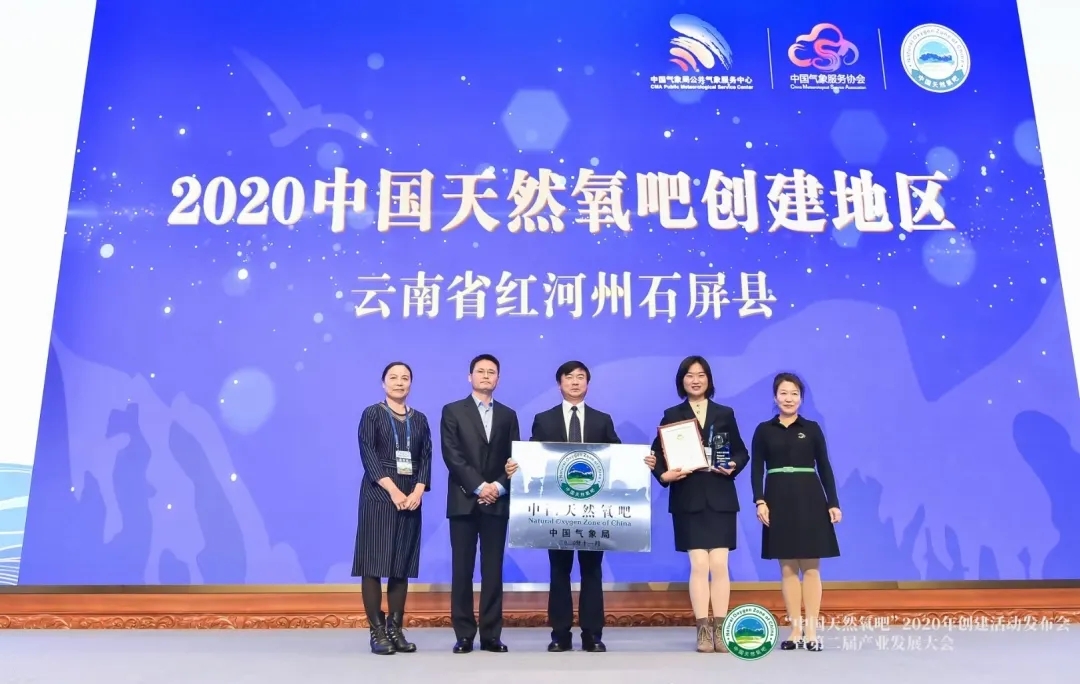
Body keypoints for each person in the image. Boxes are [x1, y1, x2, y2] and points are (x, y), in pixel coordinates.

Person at [506, 360, 620, 653]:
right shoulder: (544, 420)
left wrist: (642, 462)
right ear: (560, 384)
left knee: (592, 572)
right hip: (555, 510)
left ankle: (592, 635)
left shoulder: (602, 420)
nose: (575, 382)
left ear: (588, 384)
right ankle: (560, 634)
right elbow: (533, 459)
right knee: (559, 571)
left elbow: (618, 459)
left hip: (593, 510)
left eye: (581, 377)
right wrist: (517, 466)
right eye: (569, 377)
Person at [645, 355, 749, 653]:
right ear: (682, 380)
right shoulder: (672, 415)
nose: (695, 380)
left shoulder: (724, 413)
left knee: (720, 564)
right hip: (688, 497)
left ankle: (722, 629)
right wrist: (662, 474)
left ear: (709, 379)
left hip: (720, 495)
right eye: (689, 375)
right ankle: (703, 630)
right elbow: (656, 456)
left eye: (701, 375)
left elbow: (741, 452)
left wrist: (733, 465)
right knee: (699, 565)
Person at [751, 372, 842, 652]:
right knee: (788, 568)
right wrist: (760, 501)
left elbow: (824, 467)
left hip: (810, 499)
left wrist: (833, 502)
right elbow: (756, 469)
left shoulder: (812, 429)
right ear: (775, 397)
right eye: (783, 393)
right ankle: (795, 630)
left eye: (794, 394)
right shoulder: (763, 430)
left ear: (801, 398)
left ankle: (812, 631)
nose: (789, 398)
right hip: (777, 499)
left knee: (811, 568)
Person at [440, 354, 520, 654]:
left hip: (497, 501)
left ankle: (490, 634)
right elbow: (452, 454)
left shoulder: (508, 415)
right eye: (481, 371)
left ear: (498, 378)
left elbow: (515, 458)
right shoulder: (452, 411)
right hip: (464, 500)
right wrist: (478, 486)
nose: (486, 376)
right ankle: (463, 634)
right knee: (462, 570)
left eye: (492, 372)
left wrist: (497, 486)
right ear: (470, 376)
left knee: (493, 571)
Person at [352, 361, 432, 655]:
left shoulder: (420, 419)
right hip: (379, 492)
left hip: (411, 494)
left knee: (401, 565)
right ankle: (377, 631)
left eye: (405, 378)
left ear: (411, 383)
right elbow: (368, 455)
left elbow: (426, 457)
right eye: (394, 377)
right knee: (373, 564)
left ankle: (395, 629)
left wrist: (418, 491)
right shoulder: (372, 413)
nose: (400, 382)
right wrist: (394, 491)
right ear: (383, 383)